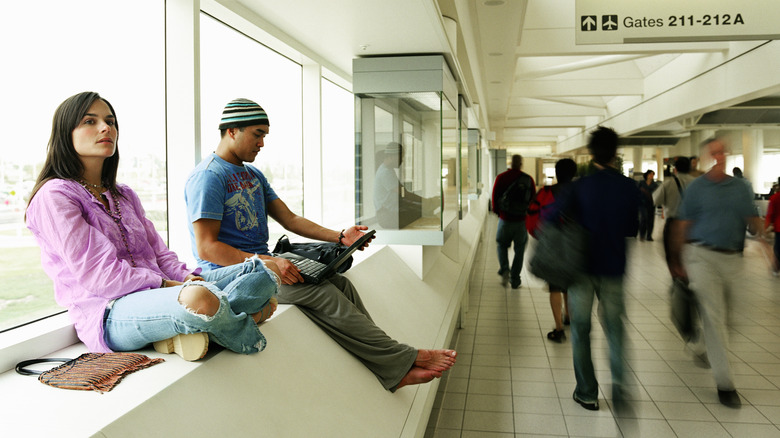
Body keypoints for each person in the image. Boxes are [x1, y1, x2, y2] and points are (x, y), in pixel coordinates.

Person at [184, 98, 456, 391]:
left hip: (261, 264)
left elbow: (290, 218)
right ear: (232, 131)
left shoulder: (252, 175)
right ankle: (403, 359)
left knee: (343, 285)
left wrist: (341, 237)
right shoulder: (209, 177)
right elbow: (207, 248)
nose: (262, 143)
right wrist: (265, 262)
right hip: (228, 275)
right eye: (257, 133)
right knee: (323, 294)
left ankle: (392, 366)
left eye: (264, 135)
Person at [25, 92, 280, 362]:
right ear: (66, 133)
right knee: (200, 299)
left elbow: (160, 254)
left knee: (267, 271)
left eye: (110, 121)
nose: (106, 128)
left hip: (165, 293)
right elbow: (102, 278)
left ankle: (194, 327)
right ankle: (241, 324)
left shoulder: (123, 194)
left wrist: (183, 278)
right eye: (90, 121)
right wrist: (168, 285)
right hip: (111, 310)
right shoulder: (55, 196)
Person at [670, 137, 764, 408]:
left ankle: (700, 345)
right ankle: (726, 384)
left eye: (723, 151)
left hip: (733, 258)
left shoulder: (741, 187)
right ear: (706, 157)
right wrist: (677, 260)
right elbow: (683, 224)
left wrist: (764, 240)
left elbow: (752, 220)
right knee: (714, 316)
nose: (719, 156)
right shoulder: (697, 188)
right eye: (714, 152)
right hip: (701, 256)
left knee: (732, 319)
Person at [550, 127, 639, 411]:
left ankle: (587, 392)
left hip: (581, 270)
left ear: (591, 153)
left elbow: (551, 216)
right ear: (615, 153)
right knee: (615, 329)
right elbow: (631, 229)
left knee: (580, 329)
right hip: (613, 267)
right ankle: (621, 387)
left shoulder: (579, 186)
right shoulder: (628, 187)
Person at [526, 158, 576, 343]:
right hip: (574, 244)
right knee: (570, 283)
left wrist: (541, 237)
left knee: (554, 285)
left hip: (552, 244)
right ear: (574, 173)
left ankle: (559, 328)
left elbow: (531, 220)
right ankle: (569, 316)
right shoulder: (580, 193)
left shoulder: (545, 193)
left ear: (556, 173)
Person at [491, 154, 536, 289]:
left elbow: (495, 196)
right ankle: (515, 279)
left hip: (505, 220)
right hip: (521, 221)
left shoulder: (501, 177)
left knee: (501, 245)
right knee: (519, 250)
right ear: (521, 164)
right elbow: (533, 201)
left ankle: (505, 269)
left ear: (510, 163)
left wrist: (499, 213)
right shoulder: (528, 179)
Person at [653, 156, 696, 277]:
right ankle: (689, 280)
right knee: (690, 256)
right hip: (693, 225)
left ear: (675, 169)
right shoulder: (697, 183)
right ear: (689, 168)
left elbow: (655, 200)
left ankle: (677, 280)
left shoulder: (668, 183)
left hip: (673, 225)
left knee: (673, 257)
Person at [764, 176, 780, 276]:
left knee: (778, 248)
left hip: (778, 227)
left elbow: (770, 214)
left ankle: (776, 268)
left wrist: (765, 227)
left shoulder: (775, 198)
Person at [637, 169, 659, 241]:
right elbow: (637, 192)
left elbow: (656, 194)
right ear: (647, 175)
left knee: (650, 219)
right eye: (650, 174)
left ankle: (649, 236)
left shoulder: (655, 185)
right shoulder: (641, 183)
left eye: (653, 174)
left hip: (651, 203)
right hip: (642, 203)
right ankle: (642, 235)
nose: (651, 176)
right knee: (644, 218)